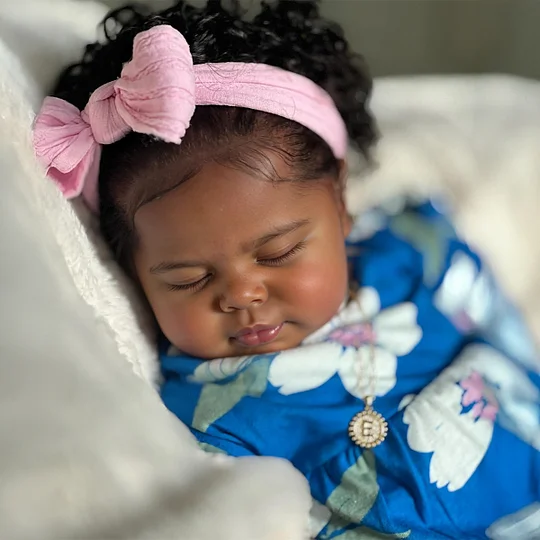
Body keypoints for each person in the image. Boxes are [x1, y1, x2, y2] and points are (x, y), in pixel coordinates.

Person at [33, 1, 539, 538]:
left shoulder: (416, 246)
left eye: (278, 252)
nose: (242, 293)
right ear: (134, 273)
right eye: (188, 279)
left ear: (339, 200)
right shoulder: (205, 421)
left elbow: (508, 336)